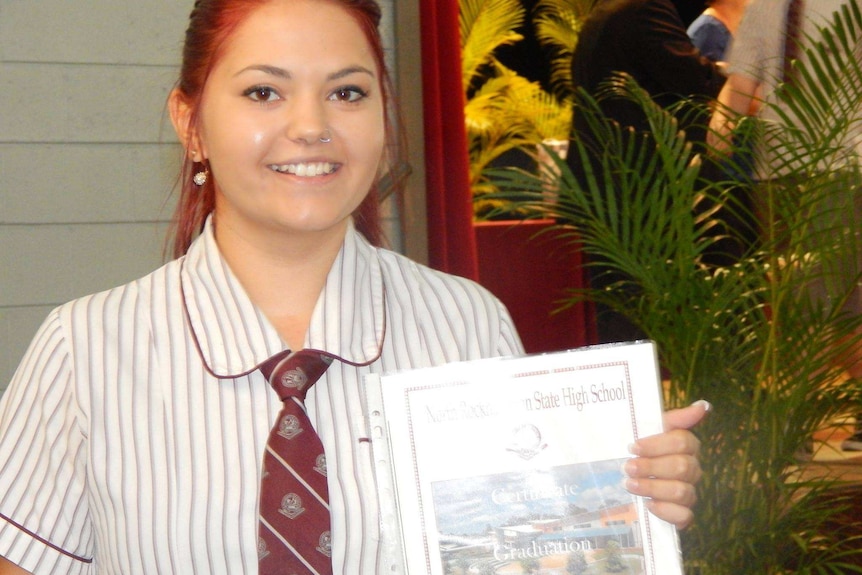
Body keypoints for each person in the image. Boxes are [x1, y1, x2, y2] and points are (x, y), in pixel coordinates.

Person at [0, 0, 709, 573]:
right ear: (191, 124)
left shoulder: (466, 327)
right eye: (263, 91)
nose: (310, 127)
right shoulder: (86, 350)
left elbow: (530, 553)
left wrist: (619, 499)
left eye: (346, 92)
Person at [707, 0, 862, 451]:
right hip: (774, 171)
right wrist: (719, 129)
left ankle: (793, 426)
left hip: (842, 164)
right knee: (834, 299)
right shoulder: (766, 6)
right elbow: (742, 81)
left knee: (811, 297)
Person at [567, 0, 727, 344]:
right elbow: (691, 79)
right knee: (641, 310)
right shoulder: (644, 8)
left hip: (609, 185)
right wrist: (738, 75)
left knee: (621, 310)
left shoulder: (608, 9)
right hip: (637, 189)